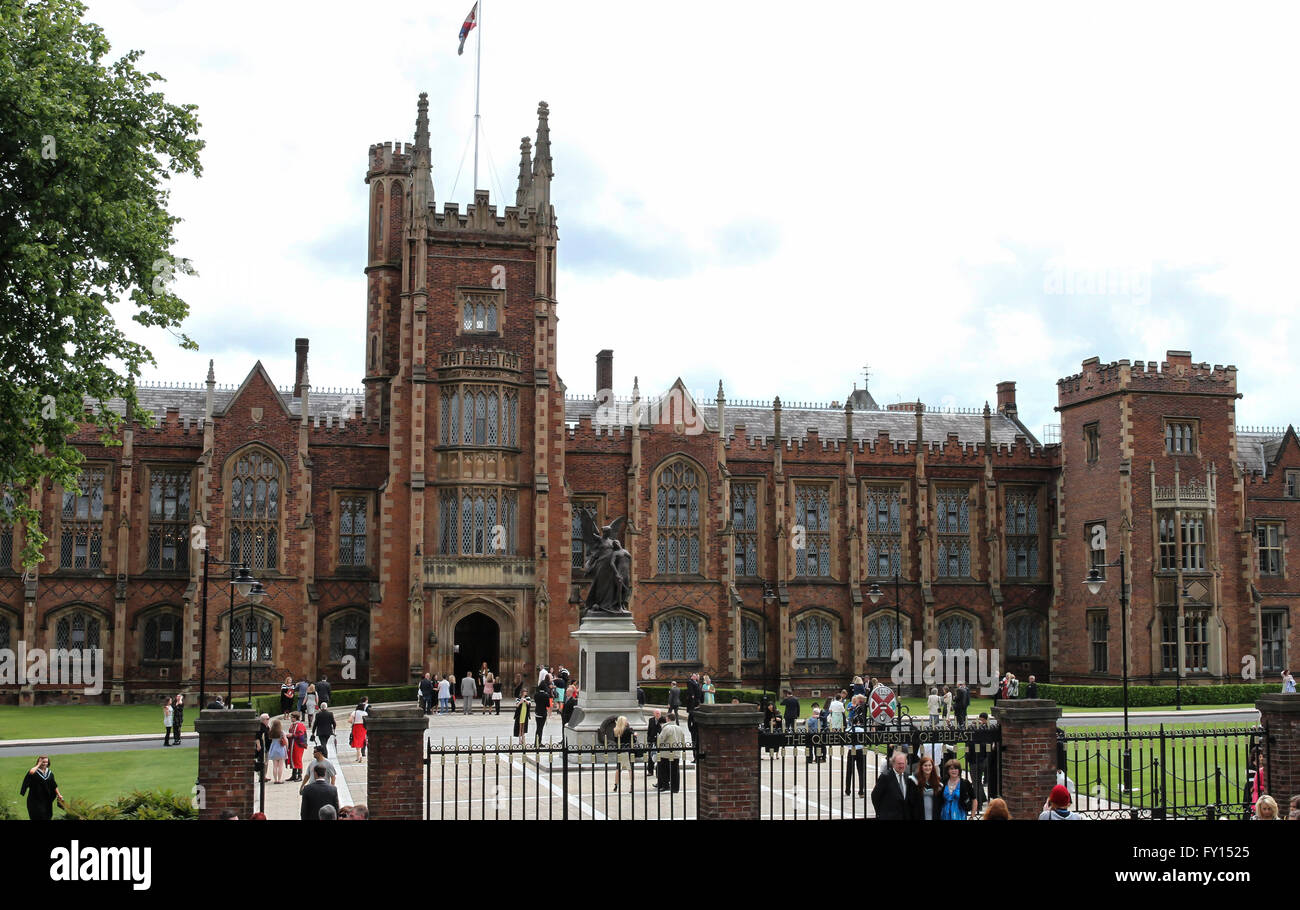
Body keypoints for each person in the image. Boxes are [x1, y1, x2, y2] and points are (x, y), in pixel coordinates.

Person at [872, 749, 920, 819]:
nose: (901, 766)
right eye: (899, 764)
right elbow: (875, 796)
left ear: (906, 763)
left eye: (903, 763)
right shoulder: (885, 777)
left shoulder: (908, 777)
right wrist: (881, 813)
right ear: (893, 764)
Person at [655, 716, 685, 792]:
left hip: (666, 753)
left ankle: (665, 785)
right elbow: (682, 740)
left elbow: (661, 740)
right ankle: (675, 788)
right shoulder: (679, 728)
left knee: (664, 770)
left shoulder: (666, 728)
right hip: (676, 752)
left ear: (668, 719)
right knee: (675, 771)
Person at [912, 754, 943, 820]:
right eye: (925, 765)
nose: (928, 768)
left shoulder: (938, 781)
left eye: (930, 765)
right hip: (919, 814)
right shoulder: (914, 781)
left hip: (934, 814)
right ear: (921, 767)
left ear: (932, 767)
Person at [844, 713, 868, 797]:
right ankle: (861, 791)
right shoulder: (862, 730)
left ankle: (847, 790)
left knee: (849, 771)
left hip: (851, 751)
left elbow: (845, 743)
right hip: (860, 750)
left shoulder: (848, 730)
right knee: (861, 771)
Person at [610, 715, 634, 792]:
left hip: (620, 750)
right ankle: (631, 786)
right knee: (630, 769)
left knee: (618, 769)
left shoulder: (615, 730)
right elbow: (633, 740)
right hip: (627, 750)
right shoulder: (628, 730)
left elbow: (615, 740)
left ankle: (616, 785)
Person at [288, 711, 308, 782]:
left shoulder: (299, 725)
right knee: (293, 758)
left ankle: (300, 775)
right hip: (293, 744)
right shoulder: (293, 725)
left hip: (298, 745)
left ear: (295, 718)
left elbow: (300, 735)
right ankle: (294, 775)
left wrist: (292, 735)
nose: (291, 718)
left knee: (298, 759)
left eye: (292, 717)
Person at [268, 719, 288, 784]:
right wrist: (287, 748)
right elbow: (286, 741)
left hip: (273, 749)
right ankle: (279, 780)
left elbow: (270, 739)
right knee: (280, 766)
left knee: (275, 766)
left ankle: (275, 780)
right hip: (281, 749)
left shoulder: (271, 732)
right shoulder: (281, 732)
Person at [645, 709, 662, 775]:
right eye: (656, 713)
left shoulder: (663, 720)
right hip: (652, 740)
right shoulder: (651, 720)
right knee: (650, 756)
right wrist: (648, 739)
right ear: (654, 714)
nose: (658, 715)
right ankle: (650, 771)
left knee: (659, 756)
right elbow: (649, 730)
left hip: (659, 740)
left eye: (659, 713)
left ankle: (659, 772)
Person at [534, 680, 551, 745]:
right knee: (540, 728)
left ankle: (536, 742)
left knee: (538, 728)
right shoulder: (546, 695)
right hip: (543, 713)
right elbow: (548, 705)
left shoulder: (536, 694)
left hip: (537, 712)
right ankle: (538, 742)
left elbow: (535, 701)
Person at [256, 713, 272, 781]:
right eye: (267, 719)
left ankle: (264, 776)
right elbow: (257, 737)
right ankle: (261, 776)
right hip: (263, 747)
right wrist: (258, 745)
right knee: (263, 762)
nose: (268, 720)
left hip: (267, 747)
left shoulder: (266, 727)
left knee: (266, 762)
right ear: (263, 720)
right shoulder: (260, 727)